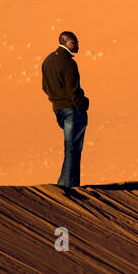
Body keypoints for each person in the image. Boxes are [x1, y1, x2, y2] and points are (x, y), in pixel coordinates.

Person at [40, 31, 90, 194]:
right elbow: (73, 90)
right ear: (67, 43)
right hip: (72, 110)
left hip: (58, 109)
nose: (77, 45)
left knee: (71, 146)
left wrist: (55, 100)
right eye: (75, 42)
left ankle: (67, 182)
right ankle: (69, 185)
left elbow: (45, 87)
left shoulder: (48, 60)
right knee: (72, 147)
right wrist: (83, 104)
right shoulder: (67, 63)